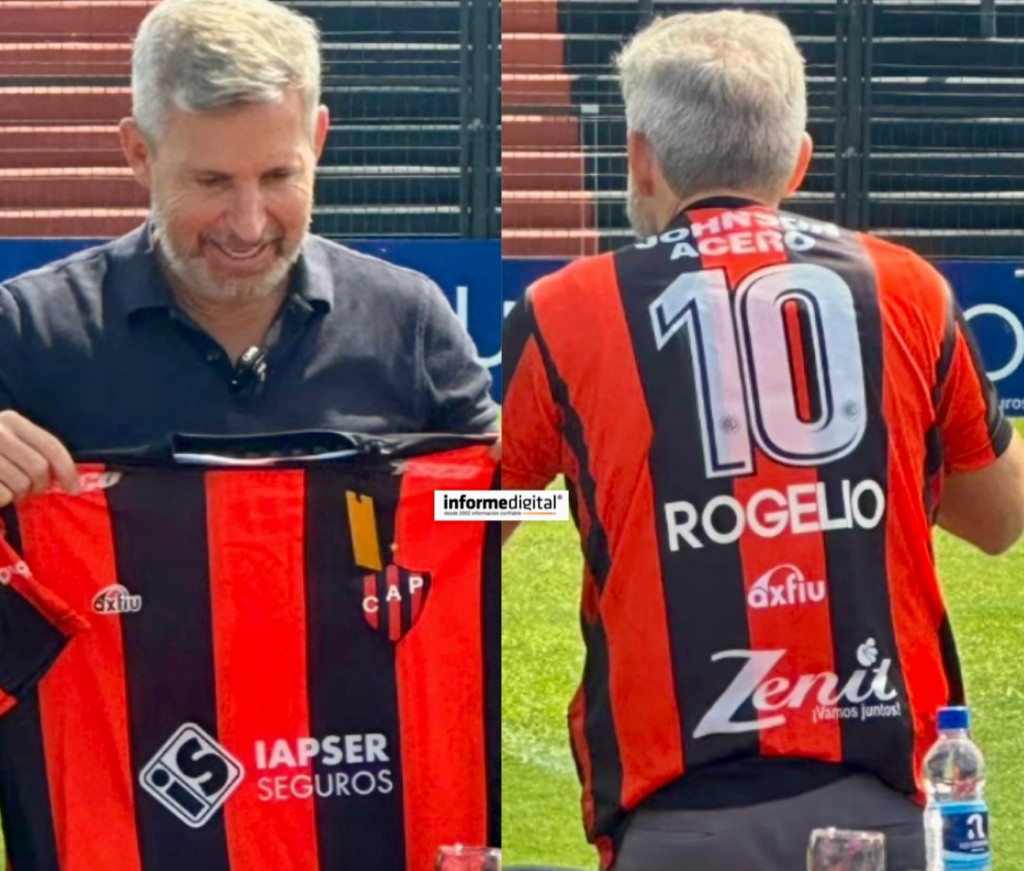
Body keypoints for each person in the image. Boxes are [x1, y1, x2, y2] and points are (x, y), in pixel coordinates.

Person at [501, 10, 1024, 871]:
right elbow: (1002, 518)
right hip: (882, 799)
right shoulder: (908, 288)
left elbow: (484, 515)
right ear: (799, 159)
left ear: (640, 157)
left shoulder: (563, 309)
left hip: (679, 818)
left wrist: (522, 493)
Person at [0, 0, 497, 508]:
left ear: (318, 139)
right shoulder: (26, 330)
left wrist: (533, 470)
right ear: (140, 154)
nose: (249, 226)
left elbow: (498, 506)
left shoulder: (410, 321)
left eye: (279, 176)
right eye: (211, 181)